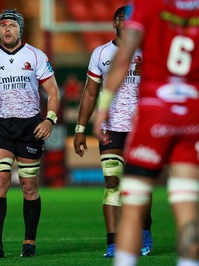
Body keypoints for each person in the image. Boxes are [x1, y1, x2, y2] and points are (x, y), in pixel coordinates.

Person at [94, 1, 199, 265]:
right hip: (191, 112)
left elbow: (125, 53)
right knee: (187, 205)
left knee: (132, 205)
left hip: (155, 110)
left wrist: (104, 106)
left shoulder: (148, 5)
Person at [0, 9, 60, 258]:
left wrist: (50, 119)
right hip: (0, 126)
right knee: (0, 181)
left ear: (20, 29)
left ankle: (29, 242)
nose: (7, 29)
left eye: (12, 25)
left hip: (30, 126)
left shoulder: (36, 56)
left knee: (29, 185)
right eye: (3, 25)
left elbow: (54, 92)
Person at [73, 6, 153, 258]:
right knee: (112, 182)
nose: (127, 22)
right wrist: (79, 129)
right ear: (115, 23)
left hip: (141, 127)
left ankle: (144, 233)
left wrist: (149, 74)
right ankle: (112, 242)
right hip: (111, 128)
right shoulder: (101, 53)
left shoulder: (149, 50)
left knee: (139, 186)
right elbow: (89, 92)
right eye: (122, 18)